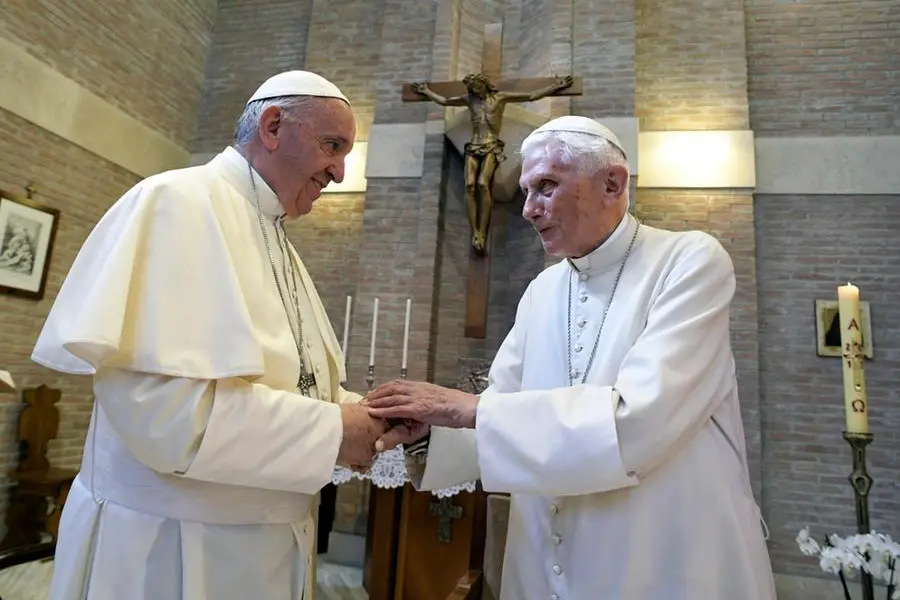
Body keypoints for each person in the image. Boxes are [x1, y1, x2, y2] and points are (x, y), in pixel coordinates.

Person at [365, 115, 777, 600]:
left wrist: (467, 409)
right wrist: (429, 434)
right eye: (526, 191)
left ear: (612, 183)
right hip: (541, 563)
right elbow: (503, 413)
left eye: (546, 187)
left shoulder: (688, 262)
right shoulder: (543, 288)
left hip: (662, 561)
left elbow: (639, 422)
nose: (528, 210)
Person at [30, 70, 387, 600]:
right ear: (272, 126)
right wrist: (335, 429)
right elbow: (169, 417)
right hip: (169, 553)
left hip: (262, 549)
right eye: (331, 146)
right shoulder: (179, 202)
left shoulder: (277, 240)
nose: (338, 170)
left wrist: (369, 415)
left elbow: (297, 385)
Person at [410, 73, 573, 255]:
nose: (474, 91)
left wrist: (555, 87)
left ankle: (482, 228)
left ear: (484, 85)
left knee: (482, 184)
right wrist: (427, 91)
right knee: (470, 185)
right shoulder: (469, 100)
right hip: (473, 146)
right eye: (471, 88)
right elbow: (446, 101)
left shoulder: (500, 99)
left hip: (491, 146)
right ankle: (477, 232)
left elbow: (530, 96)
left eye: (476, 87)